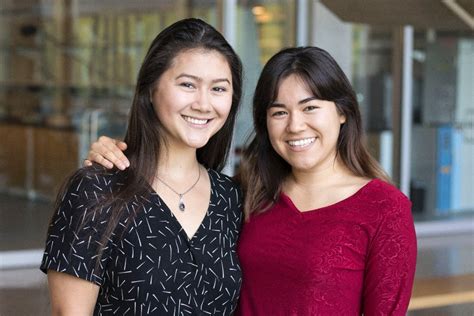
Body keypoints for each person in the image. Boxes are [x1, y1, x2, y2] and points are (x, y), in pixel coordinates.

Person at [87, 47, 417, 315]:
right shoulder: (247, 194)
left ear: (343, 112)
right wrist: (115, 152)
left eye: (310, 107)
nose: (295, 126)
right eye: (279, 112)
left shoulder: (384, 209)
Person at [40, 18, 243, 315]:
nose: (203, 103)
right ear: (150, 89)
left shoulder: (231, 198)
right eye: (187, 84)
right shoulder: (97, 190)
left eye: (219, 89)